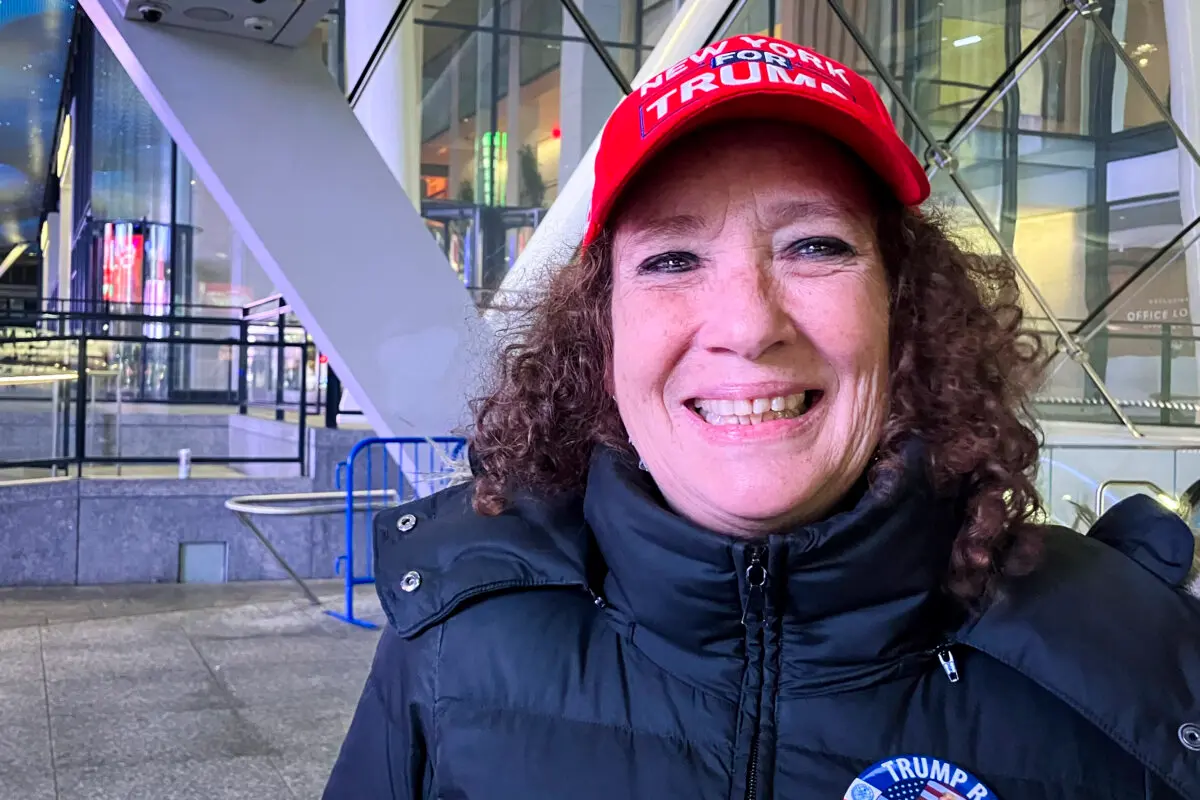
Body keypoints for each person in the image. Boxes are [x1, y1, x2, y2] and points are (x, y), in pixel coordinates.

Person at [324, 35, 1200, 800]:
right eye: (672, 258)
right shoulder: (450, 645)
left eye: (814, 245)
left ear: (905, 306)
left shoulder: (1138, 678)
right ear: (604, 330)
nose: (747, 325)